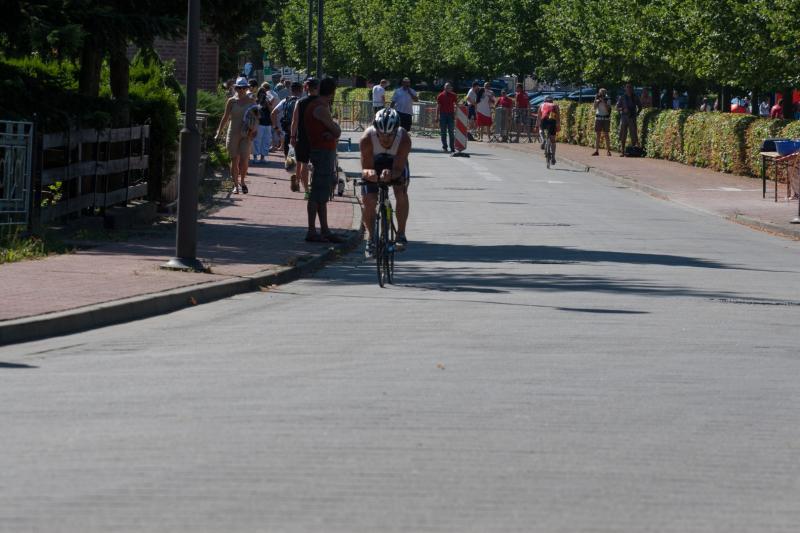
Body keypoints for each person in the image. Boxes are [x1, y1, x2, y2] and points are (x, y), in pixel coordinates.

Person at [360, 107, 412, 258]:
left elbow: (399, 168)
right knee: (369, 200)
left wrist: (392, 174)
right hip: (374, 163)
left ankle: (401, 233)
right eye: (381, 134)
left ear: (396, 131)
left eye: (390, 134)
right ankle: (371, 238)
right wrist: (370, 173)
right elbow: (366, 168)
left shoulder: (404, 138)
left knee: (401, 192)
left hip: (395, 164)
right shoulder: (367, 138)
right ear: (376, 130)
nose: (385, 138)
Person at [303, 77, 343, 243]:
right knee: (317, 193)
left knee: (322, 193)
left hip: (321, 150)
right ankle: (312, 231)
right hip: (323, 152)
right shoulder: (320, 108)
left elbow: (332, 131)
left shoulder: (316, 105)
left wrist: (332, 132)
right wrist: (334, 131)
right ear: (332, 92)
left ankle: (325, 230)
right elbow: (337, 131)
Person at [216, 76, 257, 194]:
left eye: (244, 87)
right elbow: (225, 117)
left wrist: (255, 130)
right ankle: (235, 185)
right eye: (239, 88)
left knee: (244, 159)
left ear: (247, 88)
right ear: (235, 88)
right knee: (234, 160)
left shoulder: (251, 100)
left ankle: (242, 181)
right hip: (233, 133)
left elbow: (256, 117)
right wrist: (219, 132)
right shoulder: (231, 101)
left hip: (246, 134)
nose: (241, 90)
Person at [290, 78, 320, 198]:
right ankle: (316, 186)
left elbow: (295, 121)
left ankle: (307, 191)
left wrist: (293, 136)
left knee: (304, 163)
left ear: (306, 88)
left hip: (302, 137)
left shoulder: (300, 102)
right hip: (318, 137)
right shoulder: (322, 102)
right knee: (318, 163)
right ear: (317, 88)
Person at [616, 83, 641, 156]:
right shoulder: (622, 97)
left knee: (633, 134)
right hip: (624, 117)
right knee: (623, 134)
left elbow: (640, 107)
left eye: (630, 87)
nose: (629, 89)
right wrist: (623, 109)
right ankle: (622, 151)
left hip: (632, 117)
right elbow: (617, 107)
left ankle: (633, 151)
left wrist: (637, 113)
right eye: (627, 87)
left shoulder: (635, 97)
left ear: (632, 89)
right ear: (625, 89)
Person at [537, 95, 560, 165]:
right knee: (553, 140)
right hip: (552, 120)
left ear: (544, 100)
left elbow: (538, 117)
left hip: (544, 119)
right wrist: (558, 125)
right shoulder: (555, 105)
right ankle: (553, 157)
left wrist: (536, 125)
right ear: (552, 101)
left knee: (540, 129)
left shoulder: (542, 105)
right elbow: (558, 117)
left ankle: (543, 139)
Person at [436, 82, 458, 152]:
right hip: (443, 115)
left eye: (449, 87)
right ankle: (445, 146)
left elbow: (457, 104)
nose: (448, 88)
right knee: (443, 132)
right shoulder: (440, 95)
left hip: (451, 115)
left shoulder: (453, 95)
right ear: (444, 88)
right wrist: (437, 116)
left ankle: (452, 147)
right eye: (446, 87)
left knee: (451, 132)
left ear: (451, 88)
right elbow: (438, 107)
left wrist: (457, 113)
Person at [592, 88, 612, 156]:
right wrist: (596, 100)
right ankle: (596, 151)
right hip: (598, 118)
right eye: (601, 93)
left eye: (603, 93)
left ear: (605, 93)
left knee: (606, 135)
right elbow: (594, 107)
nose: (602, 94)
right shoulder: (597, 99)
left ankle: (608, 151)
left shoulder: (608, 99)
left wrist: (603, 101)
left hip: (606, 118)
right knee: (598, 135)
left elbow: (608, 109)